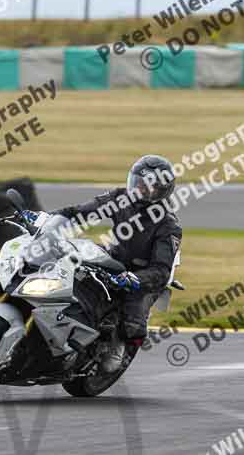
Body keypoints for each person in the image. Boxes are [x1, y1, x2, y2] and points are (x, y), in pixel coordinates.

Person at [51, 155, 182, 373]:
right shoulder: (121, 198)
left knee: (131, 321)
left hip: (143, 275)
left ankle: (120, 345)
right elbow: (83, 211)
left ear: (161, 191)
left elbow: (160, 270)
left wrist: (136, 278)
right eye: (138, 183)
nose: (140, 190)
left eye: (148, 187)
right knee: (70, 264)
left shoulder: (169, 225)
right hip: (115, 259)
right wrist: (49, 218)